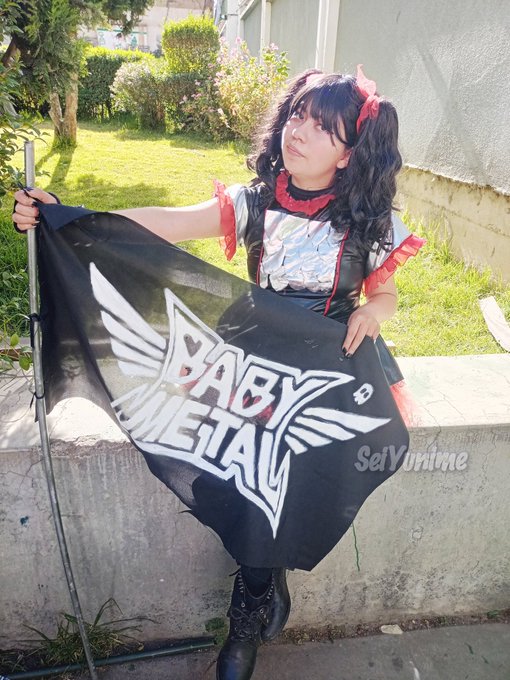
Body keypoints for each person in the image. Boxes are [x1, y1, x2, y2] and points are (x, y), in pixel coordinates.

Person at [13, 65, 425, 680]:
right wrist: (72, 218)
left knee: (292, 484)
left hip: (330, 373)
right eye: (297, 115)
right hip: (254, 360)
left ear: (348, 154)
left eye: (322, 127)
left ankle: (254, 600)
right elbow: (170, 222)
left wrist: (372, 310)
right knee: (238, 475)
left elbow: (385, 294)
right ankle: (253, 602)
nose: (299, 131)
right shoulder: (255, 203)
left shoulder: (367, 222)